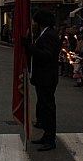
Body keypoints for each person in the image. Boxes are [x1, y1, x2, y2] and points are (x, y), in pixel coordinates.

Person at [24, 10, 60, 152]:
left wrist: (30, 47)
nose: (33, 24)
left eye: (35, 21)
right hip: (42, 77)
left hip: (47, 77)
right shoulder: (45, 33)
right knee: (44, 108)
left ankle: (50, 139)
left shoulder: (49, 34)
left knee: (48, 108)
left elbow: (46, 54)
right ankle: (46, 135)